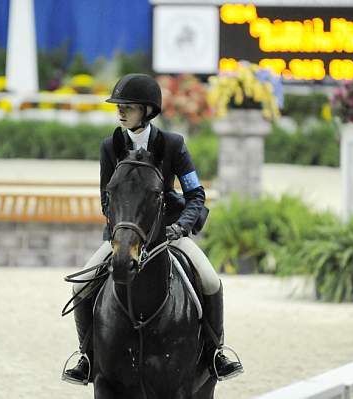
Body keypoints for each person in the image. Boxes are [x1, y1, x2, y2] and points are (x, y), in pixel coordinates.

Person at [62, 73, 243, 385]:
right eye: (118, 106)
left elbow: (195, 195)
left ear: (147, 110)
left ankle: (216, 352)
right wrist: (122, 228)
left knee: (211, 280)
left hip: (169, 231)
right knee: (81, 285)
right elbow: (108, 197)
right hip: (125, 234)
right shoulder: (111, 147)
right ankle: (87, 356)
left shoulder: (172, 145)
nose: (120, 112)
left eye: (128, 107)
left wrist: (180, 227)